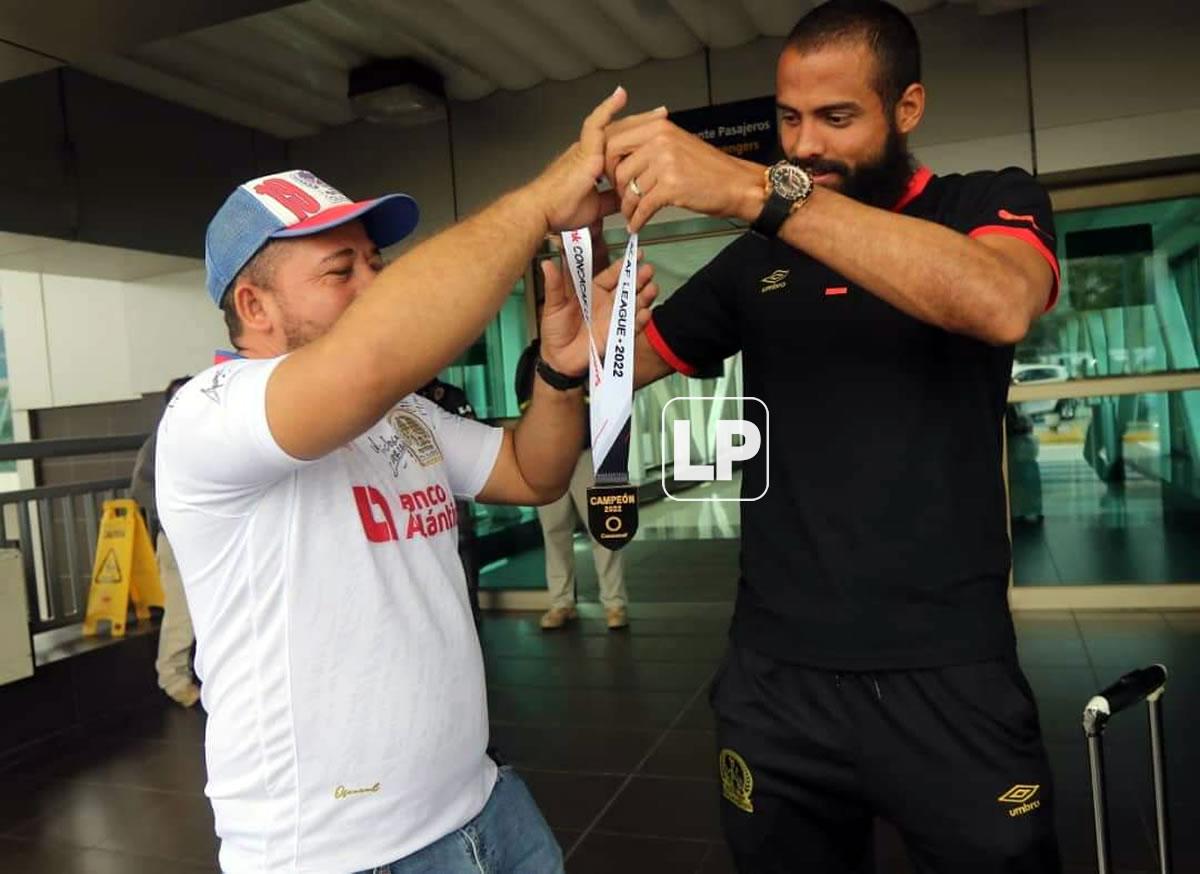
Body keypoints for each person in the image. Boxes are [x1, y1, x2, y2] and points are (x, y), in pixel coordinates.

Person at [607, 2, 1063, 871]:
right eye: (788, 119)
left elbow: (1001, 303)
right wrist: (576, 343)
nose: (805, 145)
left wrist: (754, 190)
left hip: (948, 673)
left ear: (908, 107)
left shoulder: (990, 201)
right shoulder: (755, 263)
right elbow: (616, 368)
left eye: (836, 117)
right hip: (776, 680)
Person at [155, 89, 658, 874]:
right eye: (339, 269)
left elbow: (532, 471)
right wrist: (535, 204)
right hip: (339, 858)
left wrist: (561, 370)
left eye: (374, 263)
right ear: (253, 306)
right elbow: (370, 357)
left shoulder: (397, 415)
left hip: (482, 804)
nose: (373, 283)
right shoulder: (208, 415)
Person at [514, 222, 629, 632]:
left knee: (605, 530)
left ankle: (614, 603)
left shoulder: (592, 354)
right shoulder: (530, 360)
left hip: (588, 457)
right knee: (555, 533)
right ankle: (562, 602)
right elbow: (526, 411)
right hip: (548, 464)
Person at [130, 376, 198, 707]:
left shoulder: (203, 435)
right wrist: (177, 512)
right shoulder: (161, 441)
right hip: (176, 538)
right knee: (182, 613)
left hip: (206, 537)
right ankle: (174, 680)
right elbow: (140, 490)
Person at [415, 376, 482, 623]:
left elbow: (471, 432)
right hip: (413, 485)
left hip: (452, 481)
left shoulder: (451, 394)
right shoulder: (399, 394)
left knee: (463, 541)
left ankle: (471, 606)